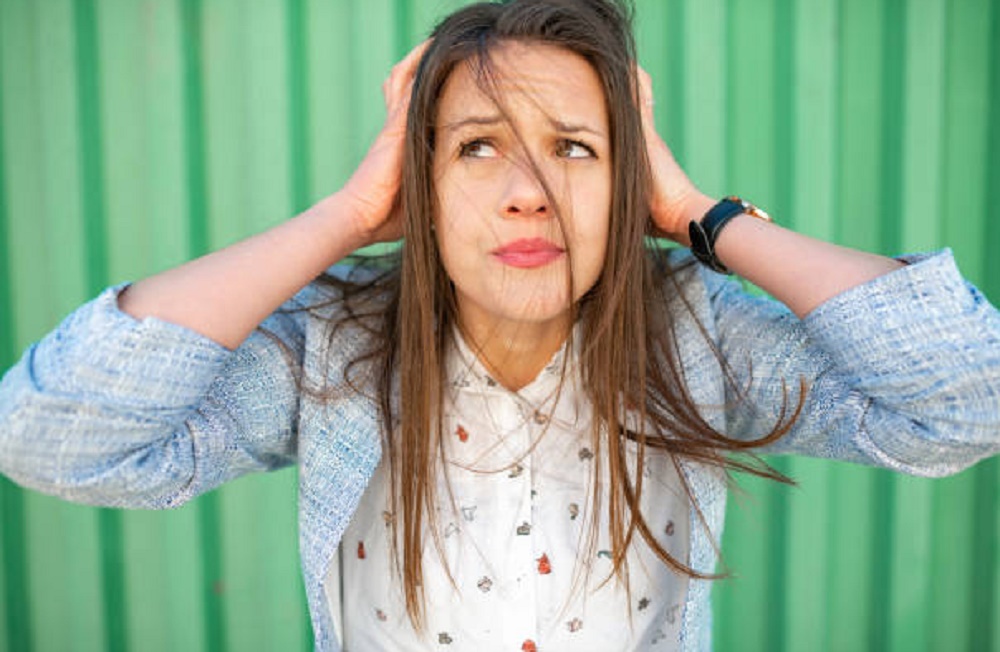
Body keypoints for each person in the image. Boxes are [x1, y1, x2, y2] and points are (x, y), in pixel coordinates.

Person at [1, 0, 998, 650]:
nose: (528, 194)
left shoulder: (695, 336)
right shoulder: (336, 350)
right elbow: (49, 438)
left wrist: (700, 215)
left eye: (572, 147)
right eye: (477, 148)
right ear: (418, 184)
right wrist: (346, 217)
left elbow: (966, 399)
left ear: (629, 178)